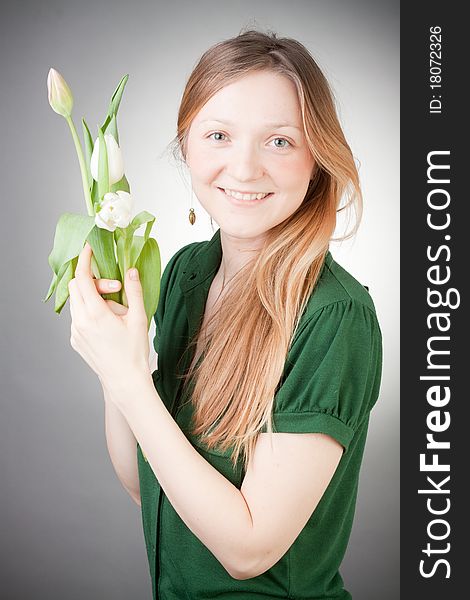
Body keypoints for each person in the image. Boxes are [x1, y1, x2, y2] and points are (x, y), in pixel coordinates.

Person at [68, 29, 383, 600]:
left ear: (318, 158)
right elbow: (149, 482)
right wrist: (121, 360)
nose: (244, 169)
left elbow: (249, 549)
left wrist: (129, 380)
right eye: (218, 135)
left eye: (280, 142)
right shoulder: (189, 271)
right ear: (186, 146)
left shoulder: (335, 316)